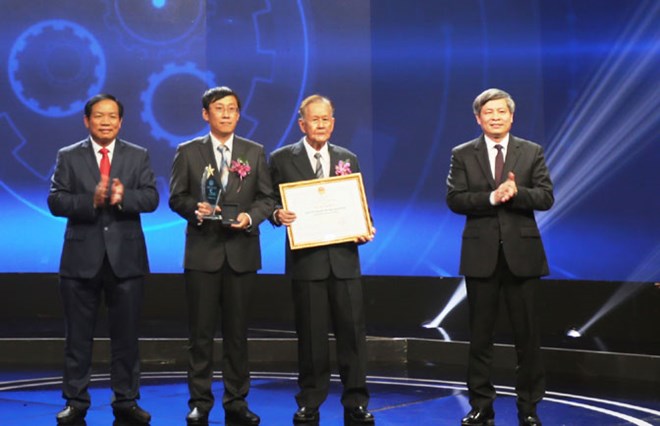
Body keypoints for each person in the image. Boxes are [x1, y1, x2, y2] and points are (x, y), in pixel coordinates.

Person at [48, 94, 158, 425]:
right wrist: (89, 200)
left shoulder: (137, 155)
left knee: (126, 337)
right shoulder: (68, 156)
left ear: (121, 122)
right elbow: (56, 201)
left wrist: (126, 198)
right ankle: (75, 401)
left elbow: (152, 197)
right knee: (77, 338)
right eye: (99, 116)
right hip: (81, 259)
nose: (106, 121)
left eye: (112, 116)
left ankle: (126, 400)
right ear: (87, 121)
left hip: (126, 259)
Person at [446, 88, 554, 426]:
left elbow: (546, 196)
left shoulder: (531, 151)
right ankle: (481, 405)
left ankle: (529, 407)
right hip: (481, 257)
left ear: (511, 116)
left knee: (528, 338)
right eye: (488, 112)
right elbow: (455, 199)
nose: (495, 117)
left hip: (523, 257)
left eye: (501, 112)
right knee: (480, 337)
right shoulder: (462, 154)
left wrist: (517, 193)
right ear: (478, 118)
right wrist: (491, 197)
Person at [169, 86, 274, 426]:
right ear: (206, 114)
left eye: (232, 108)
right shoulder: (187, 151)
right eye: (219, 108)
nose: (226, 114)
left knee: (238, 334)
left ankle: (237, 400)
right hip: (203, 252)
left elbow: (267, 199)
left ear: (238, 114)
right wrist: (194, 210)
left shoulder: (254, 152)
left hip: (242, 252)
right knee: (200, 335)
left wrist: (250, 217)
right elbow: (176, 197)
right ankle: (200, 401)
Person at [269, 94, 376, 425]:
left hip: (344, 260)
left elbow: (358, 203)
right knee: (311, 336)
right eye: (314, 119)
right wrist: (276, 213)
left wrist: (364, 226)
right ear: (302, 123)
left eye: (326, 118)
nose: (321, 124)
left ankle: (356, 401)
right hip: (307, 261)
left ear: (333, 121)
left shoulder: (348, 158)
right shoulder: (282, 158)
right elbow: (269, 201)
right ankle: (310, 401)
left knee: (352, 335)